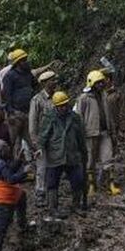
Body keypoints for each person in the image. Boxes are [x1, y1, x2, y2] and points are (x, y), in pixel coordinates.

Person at [38, 91, 88, 221]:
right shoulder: (49, 117)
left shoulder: (75, 117)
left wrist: (83, 152)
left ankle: (76, 205)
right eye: (60, 106)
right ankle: (53, 208)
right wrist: (40, 148)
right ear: (55, 106)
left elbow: (80, 136)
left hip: (72, 154)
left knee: (77, 180)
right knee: (52, 183)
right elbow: (43, 135)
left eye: (65, 105)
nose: (63, 108)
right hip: (55, 155)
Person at [75, 70, 120, 196]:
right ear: (92, 83)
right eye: (98, 83)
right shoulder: (84, 99)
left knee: (108, 158)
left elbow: (109, 114)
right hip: (90, 134)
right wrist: (80, 135)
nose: (101, 85)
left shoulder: (104, 95)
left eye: (101, 82)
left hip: (105, 132)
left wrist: (113, 130)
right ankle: (91, 186)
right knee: (90, 161)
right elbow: (79, 118)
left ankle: (110, 184)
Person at [0, 139, 29, 251]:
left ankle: (22, 225)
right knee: (0, 231)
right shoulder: (0, 164)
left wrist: (18, 160)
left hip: (6, 198)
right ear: (0, 151)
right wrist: (25, 173)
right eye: (5, 147)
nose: (8, 148)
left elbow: (9, 171)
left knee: (22, 196)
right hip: (3, 202)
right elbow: (10, 179)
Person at [28, 70, 58, 207]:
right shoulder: (37, 100)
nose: (55, 82)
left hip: (55, 138)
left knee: (54, 166)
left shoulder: (58, 97)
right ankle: (40, 193)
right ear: (45, 83)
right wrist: (35, 142)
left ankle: (52, 192)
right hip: (41, 138)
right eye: (52, 80)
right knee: (41, 167)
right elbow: (33, 122)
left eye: (55, 79)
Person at [1, 48, 36, 159]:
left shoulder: (28, 74)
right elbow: (6, 95)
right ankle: (4, 167)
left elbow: (35, 86)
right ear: (17, 63)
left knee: (33, 142)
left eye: (26, 59)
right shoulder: (10, 76)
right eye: (23, 60)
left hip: (28, 113)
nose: (26, 62)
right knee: (10, 143)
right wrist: (9, 112)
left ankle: (33, 166)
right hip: (15, 115)